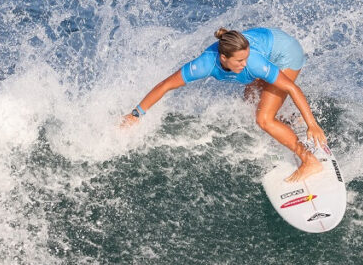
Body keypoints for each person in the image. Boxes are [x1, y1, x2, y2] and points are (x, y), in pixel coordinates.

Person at [123, 27, 327, 182]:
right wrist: (135, 114)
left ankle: (309, 161)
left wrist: (312, 124)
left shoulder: (252, 61)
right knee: (250, 99)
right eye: (239, 61)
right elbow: (166, 85)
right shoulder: (205, 64)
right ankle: (284, 122)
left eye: (245, 59)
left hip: (286, 53)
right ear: (223, 58)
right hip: (268, 46)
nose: (244, 64)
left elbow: (292, 88)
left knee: (263, 119)